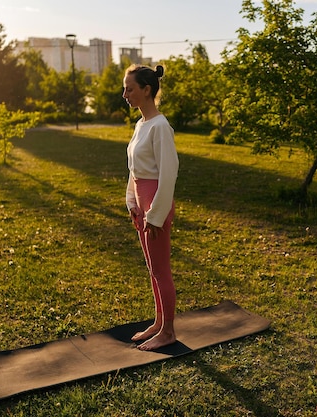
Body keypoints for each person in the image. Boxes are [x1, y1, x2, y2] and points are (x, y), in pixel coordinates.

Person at [123, 64, 179, 351]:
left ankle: (168, 331)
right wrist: (132, 202)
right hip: (141, 202)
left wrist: (155, 215)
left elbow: (168, 173)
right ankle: (159, 322)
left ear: (147, 90)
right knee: (152, 269)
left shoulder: (160, 126)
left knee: (161, 270)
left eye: (129, 89)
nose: (125, 94)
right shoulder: (141, 125)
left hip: (156, 203)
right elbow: (135, 168)